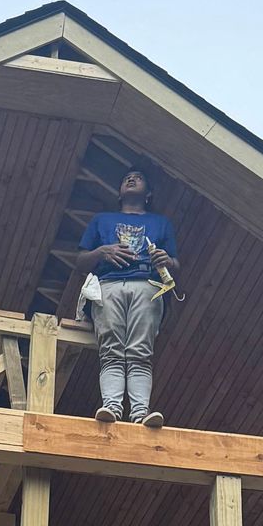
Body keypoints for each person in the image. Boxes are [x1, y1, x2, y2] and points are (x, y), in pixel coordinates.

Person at [79, 168, 179, 427]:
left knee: (139, 352)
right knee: (112, 351)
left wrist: (167, 260)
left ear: (148, 194)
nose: (131, 179)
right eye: (126, 178)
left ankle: (140, 413)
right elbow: (80, 260)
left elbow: (175, 263)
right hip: (108, 284)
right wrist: (102, 251)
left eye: (139, 177)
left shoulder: (161, 223)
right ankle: (111, 407)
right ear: (119, 192)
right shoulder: (102, 220)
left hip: (147, 285)